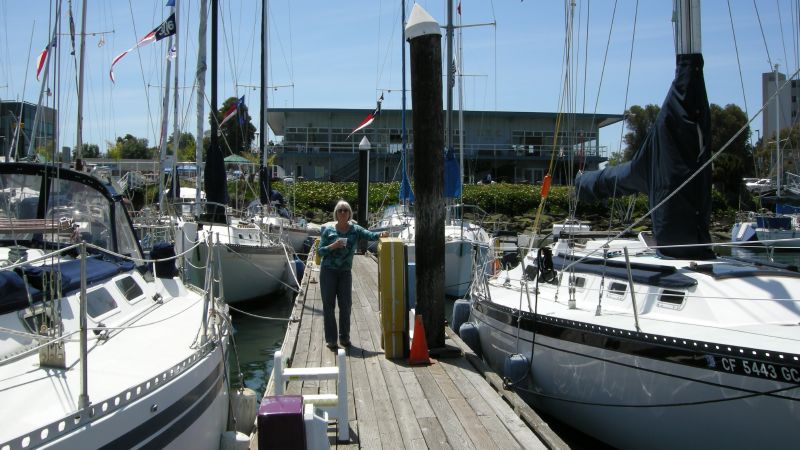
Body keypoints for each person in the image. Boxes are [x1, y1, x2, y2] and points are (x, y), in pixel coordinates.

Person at [317, 200, 388, 349]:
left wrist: (381, 234)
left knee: (346, 305)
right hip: (328, 271)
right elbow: (320, 251)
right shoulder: (328, 230)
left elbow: (370, 235)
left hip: (344, 273)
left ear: (349, 213)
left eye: (345, 210)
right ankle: (331, 339)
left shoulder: (355, 229)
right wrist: (333, 246)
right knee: (328, 306)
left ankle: (344, 338)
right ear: (336, 213)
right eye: (340, 210)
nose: (343, 213)